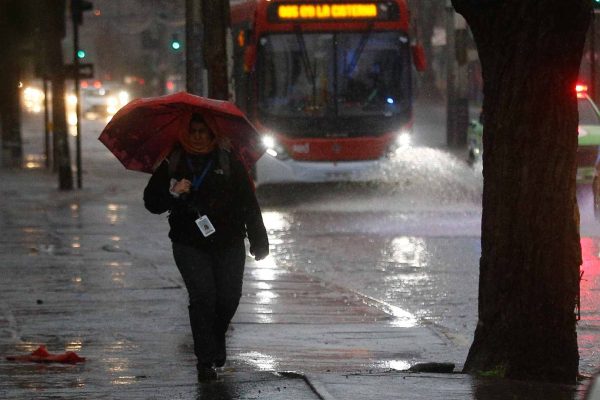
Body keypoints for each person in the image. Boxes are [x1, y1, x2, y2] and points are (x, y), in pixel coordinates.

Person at [143, 113, 269, 381]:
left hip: (229, 241)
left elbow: (248, 201)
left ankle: (215, 338)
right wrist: (173, 193)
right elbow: (151, 202)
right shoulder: (174, 161)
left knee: (228, 298)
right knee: (203, 297)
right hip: (189, 243)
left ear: (212, 134)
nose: (198, 136)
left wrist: (259, 239)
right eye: (194, 131)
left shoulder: (228, 160)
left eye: (204, 131)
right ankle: (205, 360)